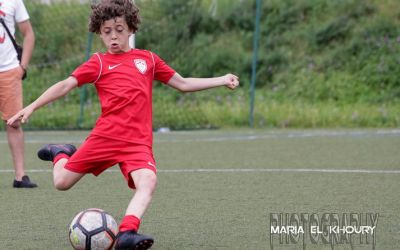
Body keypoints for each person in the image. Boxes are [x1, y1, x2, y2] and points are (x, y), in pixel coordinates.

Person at [7, 0, 239, 248]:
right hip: (105, 138)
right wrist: (31, 106)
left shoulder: (148, 60)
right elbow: (65, 85)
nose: (113, 37)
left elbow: (182, 84)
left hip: (137, 143)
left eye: (119, 29)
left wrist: (221, 79)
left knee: (148, 181)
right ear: (99, 32)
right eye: (107, 31)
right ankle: (61, 152)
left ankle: (127, 233)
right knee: (61, 182)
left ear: (131, 29)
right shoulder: (98, 63)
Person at [0, 0, 36, 188]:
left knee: (13, 122)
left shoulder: (13, 1)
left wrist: (22, 67)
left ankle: (20, 176)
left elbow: (28, 33)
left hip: (9, 71)